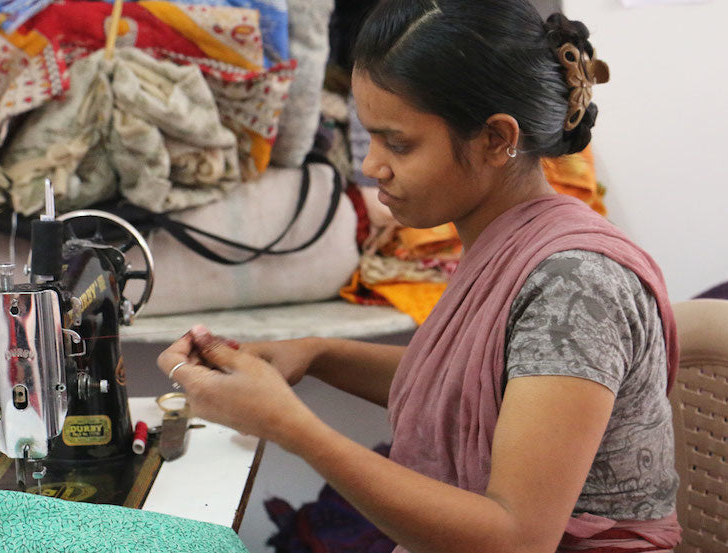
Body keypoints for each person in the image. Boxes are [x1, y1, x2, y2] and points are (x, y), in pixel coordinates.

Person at [157, 1, 682, 552]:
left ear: (497, 139)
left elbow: (515, 539)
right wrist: (315, 355)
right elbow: (478, 384)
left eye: (398, 143)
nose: (371, 165)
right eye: (371, 138)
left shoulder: (576, 285)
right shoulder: (506, 242)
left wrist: (292, 428)